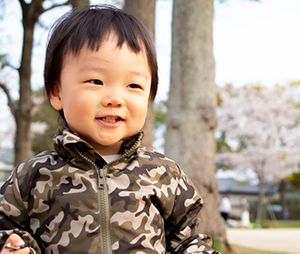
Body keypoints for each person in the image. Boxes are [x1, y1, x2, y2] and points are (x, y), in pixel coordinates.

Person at [0, 4, 220, 254]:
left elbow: (188, 238)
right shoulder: (31, 177)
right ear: (56, 91)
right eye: (96, 81)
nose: (115, 98)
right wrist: (15, 246)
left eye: (134, 85)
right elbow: (5, 228)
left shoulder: (164, 174)